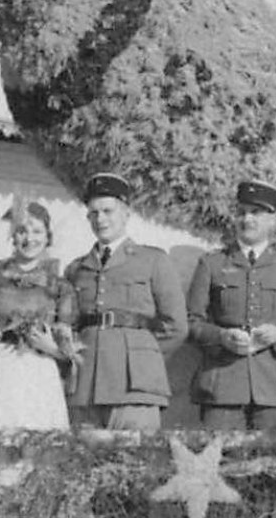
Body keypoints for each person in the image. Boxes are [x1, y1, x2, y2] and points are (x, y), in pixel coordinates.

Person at [186, 179, 276, 430]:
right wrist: (222, 336)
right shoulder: (211, 264)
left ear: (273, 218)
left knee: (271, 466)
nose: (247, 219)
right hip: (222, 389)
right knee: (219, 465)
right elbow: (190, 323)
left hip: (274, 389)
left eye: (256, 213)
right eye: (241, 212)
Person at [63, 173, 187, 430]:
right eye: (93, 213)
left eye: (108, 211)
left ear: (126, 213)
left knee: (136, 463)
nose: (100, 219)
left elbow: (176, 326)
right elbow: (69, 325)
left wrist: (142, 358)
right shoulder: (76, 269)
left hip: (135, 388)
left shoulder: (153, 261)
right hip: (86, 386)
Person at [0, 201, 77, 430]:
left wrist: (53, 348)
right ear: (13, 236)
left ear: (48, 237)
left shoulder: (60, 286)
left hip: (40, 372)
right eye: (22, 231)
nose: (29, 239)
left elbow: (70, 348)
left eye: (37, 231)